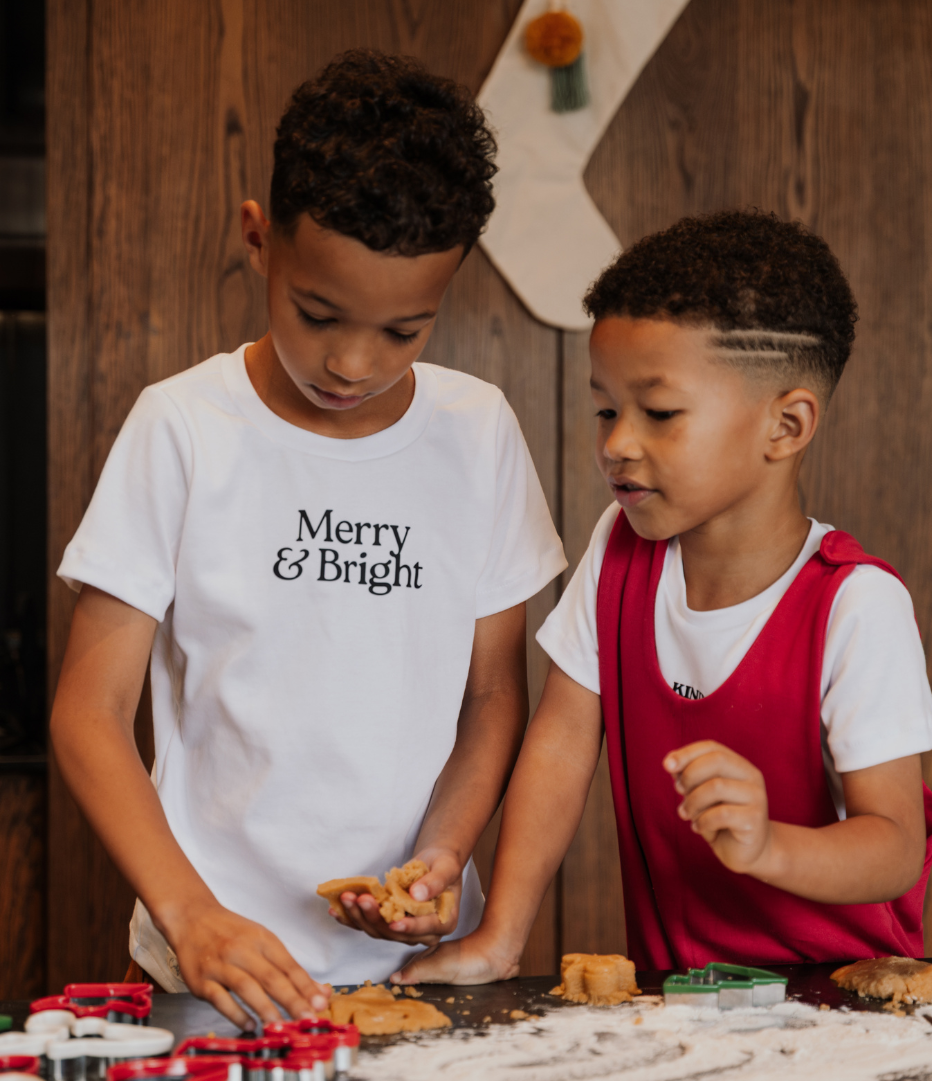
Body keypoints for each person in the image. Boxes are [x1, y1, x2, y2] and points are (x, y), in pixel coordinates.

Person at [49, 49, 565, 1028]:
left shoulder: (480, 429)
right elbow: (88, 710)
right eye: (319, 313)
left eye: (404, 331)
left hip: (423, 967)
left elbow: (494, 694)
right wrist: (191, 915)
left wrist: (446, 855)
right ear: (259, 239)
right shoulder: (184, 425)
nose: (352, 362)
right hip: (211, 967)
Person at [394, 210, 932, 985]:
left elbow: (892, 845)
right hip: (677, 998)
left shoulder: (857, 605)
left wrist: (767, 845)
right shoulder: (619, 551)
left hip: (838, 1005)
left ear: (785, 425)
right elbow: (558, 750)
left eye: (659, 412)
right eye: (607, 408)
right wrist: (501, 934)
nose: (617, 440)